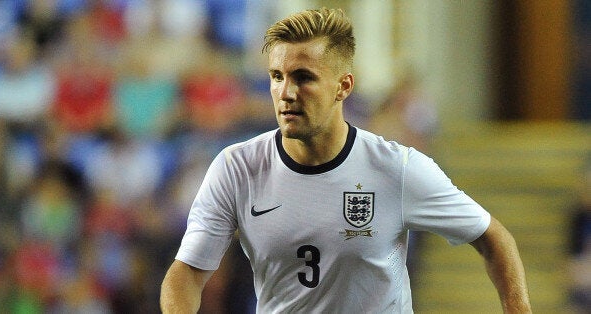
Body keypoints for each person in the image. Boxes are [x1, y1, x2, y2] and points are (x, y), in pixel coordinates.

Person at [160, 8, 532, 313]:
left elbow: (493, 238)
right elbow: (188, 273)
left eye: (303, 77)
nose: (286, 93)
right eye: (277, 76)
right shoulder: (237, 168)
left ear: (344, 86)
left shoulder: (396, 168)